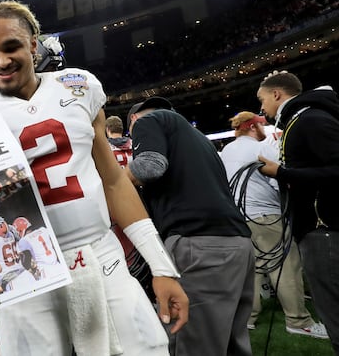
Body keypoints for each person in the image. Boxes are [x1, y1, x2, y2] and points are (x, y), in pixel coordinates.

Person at [0, 1, 188, 356]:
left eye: (11, 47)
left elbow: (114, 181)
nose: (2, 61)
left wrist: (161, 266)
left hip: (100, 255)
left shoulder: (79, 87)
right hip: (25, 273)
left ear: (33, 44)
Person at [126, 96, 255, 356]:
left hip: (198, 245)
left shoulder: (146, 122)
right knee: (230, 344)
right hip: (238, 244)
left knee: (192, 345)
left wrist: (108, 180)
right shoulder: (199, 139)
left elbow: (150, 167)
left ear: (133, 122)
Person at [220, 110, 327, 338]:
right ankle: (298, 321)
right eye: (261, 126)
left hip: (238, 217)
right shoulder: (262, 147)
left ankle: (247, 318)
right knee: (286, 266)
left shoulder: (226, 151)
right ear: (252, 126)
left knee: (251, 270)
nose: (264, 130)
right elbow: (280, 181)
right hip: (267, 216)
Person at [256, 71, 339, 352]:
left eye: (263, 99)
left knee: (334, 312)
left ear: (277, 94)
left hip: (324, 228)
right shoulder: (303, 119)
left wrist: (282, 172)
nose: (262, 107)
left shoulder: (310, 119)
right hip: (319, 228)